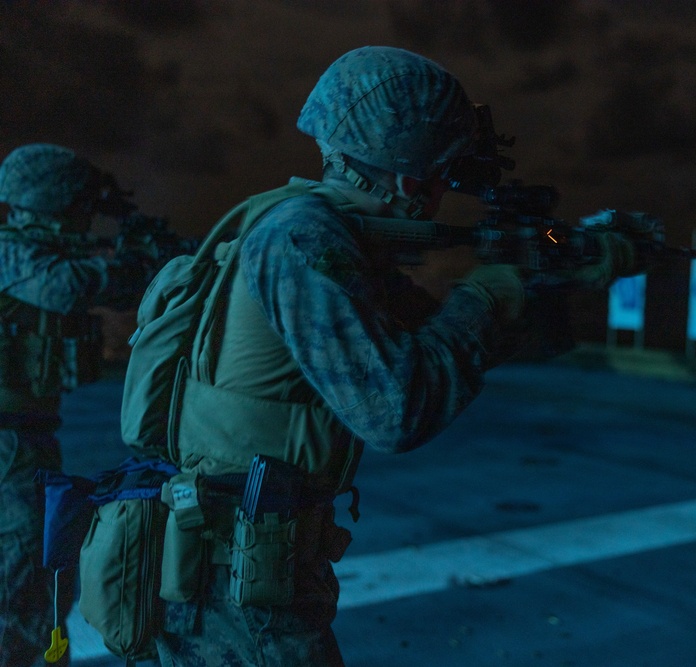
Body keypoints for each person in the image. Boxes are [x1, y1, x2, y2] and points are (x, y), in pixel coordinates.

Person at [145, 46, 639, 666]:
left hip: (250, 571)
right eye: (442, 176)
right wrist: (490, 292)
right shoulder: (303, 239)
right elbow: (396, 409)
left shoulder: (316, 233)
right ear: (412, 181)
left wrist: (566, 274)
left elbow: (436, 336)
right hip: (237, 587)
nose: (441, 195)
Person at [0, 143, 156, 667]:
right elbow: (76, 286)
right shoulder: (17, 255)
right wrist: (148, 264)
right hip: (10, 448)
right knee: (30, 587)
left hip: (21, 441)